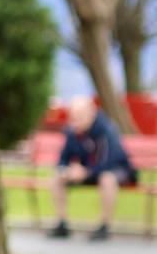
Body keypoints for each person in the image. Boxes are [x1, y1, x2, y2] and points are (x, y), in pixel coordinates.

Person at [48, 95, 136, 241]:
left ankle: (104, 225)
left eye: (79, 116)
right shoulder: (72, 132)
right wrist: (66, 170)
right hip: (87, 172)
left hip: (118, 171)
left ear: (91, 113)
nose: (75, 121)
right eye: (73, 117)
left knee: (107, 179)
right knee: (58, 177)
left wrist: (86, 172)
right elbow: (63, 158)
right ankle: (62, 223)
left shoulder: (106, 130)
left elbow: (109, 162)